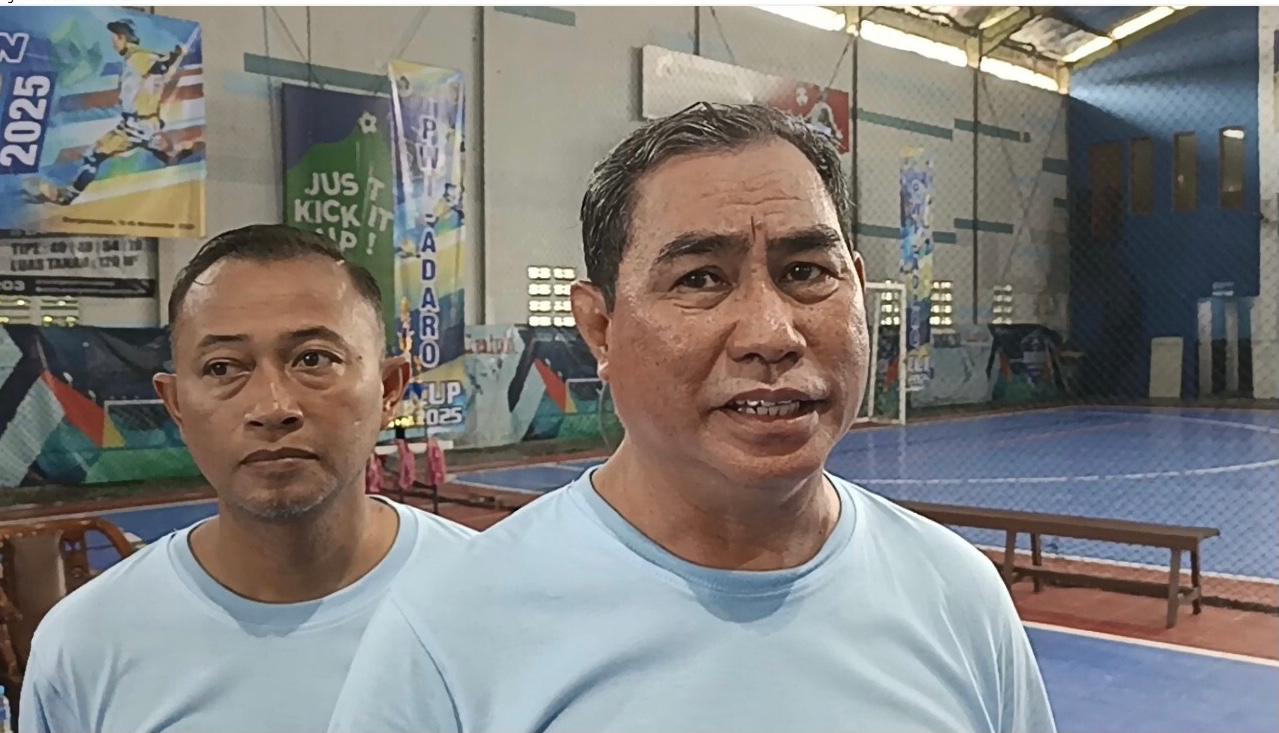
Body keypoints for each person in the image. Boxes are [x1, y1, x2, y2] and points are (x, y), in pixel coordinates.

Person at [328, 103, 1056, 733]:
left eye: (806, 272)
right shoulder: (452, 630)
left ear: (858, 290)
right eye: (700, 279)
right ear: (599, 327)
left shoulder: (957, 597)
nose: (771, 333)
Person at [19, 225, 474, 733]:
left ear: (389, 389)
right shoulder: (85, 644)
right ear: (175, 404)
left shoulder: (492, 601)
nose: (272, 407)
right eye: (222, 368)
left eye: (313, 359)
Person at [25, 18, 202, 206]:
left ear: (122, 37)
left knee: (95, 155)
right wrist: (176, 56)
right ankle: (178, 155)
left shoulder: (137, 57)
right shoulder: (140, 57)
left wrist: (175, 56)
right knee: (155, 149)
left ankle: (68, 196)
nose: (113, 43)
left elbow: (161, 66)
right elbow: (162, 67)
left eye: (115, 38)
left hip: (137, 125)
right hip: (141, 123)